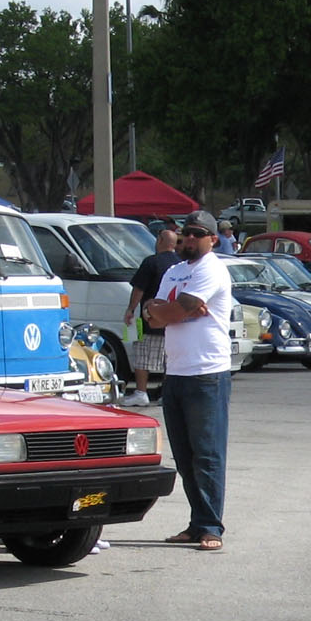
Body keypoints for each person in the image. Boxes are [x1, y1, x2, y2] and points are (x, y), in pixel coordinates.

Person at [144, 210, 235, 550]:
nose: (191, 238)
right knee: (184, 456)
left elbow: (167, 312)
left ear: (213, 239)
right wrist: (170, 310)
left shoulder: (212, 269)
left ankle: (211, 527)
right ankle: (196, 523)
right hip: (176, 372)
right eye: (187, 233)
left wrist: (169, 311)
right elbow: (153, 317)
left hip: (206, 373)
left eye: (199, 233)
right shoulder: (173, 271)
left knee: (207, 454)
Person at [120, 226, 178, 406]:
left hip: (149, 319)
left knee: (142, 357)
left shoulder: (151, 262)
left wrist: (130, 309)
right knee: (170, 360)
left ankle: (141, 392)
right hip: (173, 320)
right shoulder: (181, 264)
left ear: (160, 241)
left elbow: (139, 289)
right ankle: (167, 394)